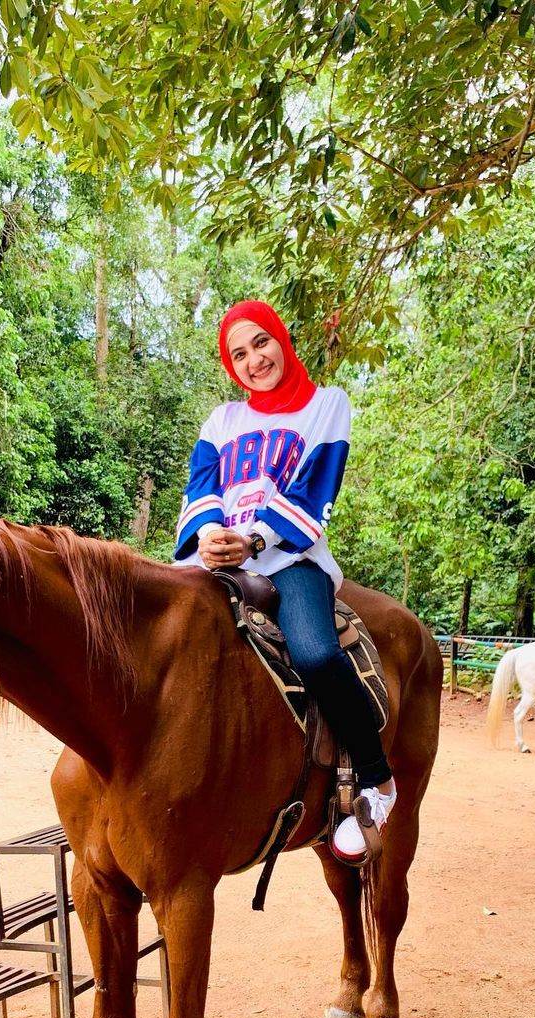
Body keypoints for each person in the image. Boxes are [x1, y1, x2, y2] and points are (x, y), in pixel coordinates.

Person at [174, 299, 396, 863]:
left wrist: (252, 541)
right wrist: (207, 535)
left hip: (289, 558)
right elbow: (200, 490)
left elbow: (314, 490)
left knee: (318, 655)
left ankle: (375, 779)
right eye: (239, 354)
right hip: (217, 559)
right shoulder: (222, 421)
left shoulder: (327, 405)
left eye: (261, 343)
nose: (254, 360)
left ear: (282, 339)